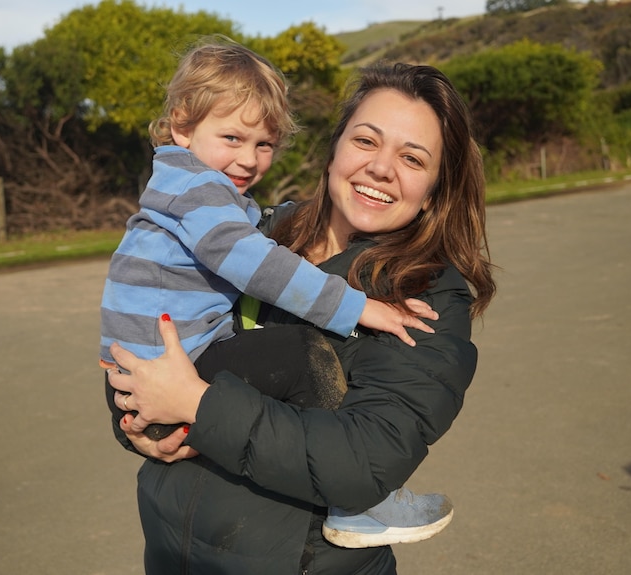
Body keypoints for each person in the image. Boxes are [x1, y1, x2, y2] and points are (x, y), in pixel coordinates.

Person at [108, 61, 495, 574]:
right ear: (335, 149)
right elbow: (146, 330)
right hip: (174, 554)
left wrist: (196, 403)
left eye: (412, 158)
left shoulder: (424, 298)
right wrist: (132, 423)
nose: (382, 168)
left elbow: (366, 459)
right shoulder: (258, 236)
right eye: (365, 141)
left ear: (435, 190)